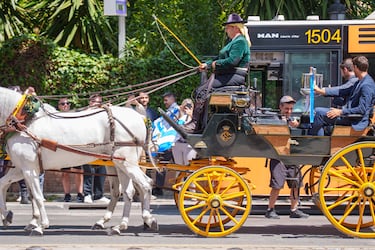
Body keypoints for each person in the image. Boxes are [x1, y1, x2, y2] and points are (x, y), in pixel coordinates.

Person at [265, 95, 309, 219]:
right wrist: (284, 123)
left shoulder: (293, 119)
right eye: (286, 109)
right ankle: (270, 209)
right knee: (277, 184)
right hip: (278, 156)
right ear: (280, 107)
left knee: (296, 182)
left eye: (290, 109)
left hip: (292, 155)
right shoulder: (274, 119)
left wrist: (297, 125)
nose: (289, 111)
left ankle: (294, 209)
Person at [309, 56, 375, 136]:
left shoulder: (366, 85)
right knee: (318, 111)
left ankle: (315, 144)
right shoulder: (360, 82)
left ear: (356, 67)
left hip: (354, 120)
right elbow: (342, 91)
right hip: (350, 116)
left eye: (353, 68)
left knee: (319, 114)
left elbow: (362, 109)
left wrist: (341, 112)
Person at [199, 13, 251, 88]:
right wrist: (207, 64)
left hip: (235, 76)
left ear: (235, 28)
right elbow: (220, 57)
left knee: (203, 89)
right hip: (228, 75)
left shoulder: (240, 42)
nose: (226, 30)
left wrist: (217, 63)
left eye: (227, 28)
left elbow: (233, 61)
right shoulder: (233, 41)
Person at [83, 94, 110, 204]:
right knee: (88, 170)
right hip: (88, 145)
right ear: (90, 102)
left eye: (99, 102)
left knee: (101, 170)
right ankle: (87, 194)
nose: (96, 104)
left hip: (101, 145)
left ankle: (99, 195)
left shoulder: (102, 113)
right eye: (94, 102)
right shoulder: (85, 112)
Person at [151, 92, 180, 196]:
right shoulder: (171, 111)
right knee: (162, 164)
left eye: (166, 100)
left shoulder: (176, 110)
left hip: (172, 142)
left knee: (164, 164)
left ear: (172, 99)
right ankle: (159, 187)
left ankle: (160, 187)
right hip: (170, 142)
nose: (164, 102)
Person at [58, 97, 84, 202]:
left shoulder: (74, 115)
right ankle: (67, 194)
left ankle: (80, 194)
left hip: (75, 146)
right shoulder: (57, 117)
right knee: (65, 172)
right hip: (64, 147)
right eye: (63, 103)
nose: (66, 105)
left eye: (68, 103)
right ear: (59, 106)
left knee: (78, 171)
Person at [172, 98, 197, 166]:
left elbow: (195, 126)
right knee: (179, 166)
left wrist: (190, 114)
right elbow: (176, 126)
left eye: (189, 106)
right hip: (177, 143)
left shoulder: (196, 116)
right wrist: (181, 113)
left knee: (188, 166)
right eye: (185, 106)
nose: (186, 108)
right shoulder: (178, 114)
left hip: (188, 144)